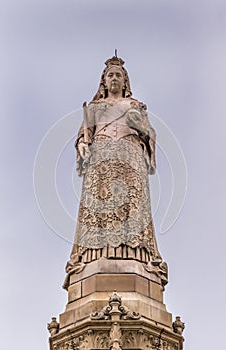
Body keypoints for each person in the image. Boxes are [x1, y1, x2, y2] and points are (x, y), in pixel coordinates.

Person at [64, 56, 167, 287]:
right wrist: (82, 147)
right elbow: (83, 137)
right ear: (103, 80)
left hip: (130, 155)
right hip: (101, 158)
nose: (114, 78)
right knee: (100, 205)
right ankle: (95, 257)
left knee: (131, 206)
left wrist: (142, 128)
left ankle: (133, 257)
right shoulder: (94, 108)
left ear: (125, 80)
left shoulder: (134, 106)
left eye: (118, 75)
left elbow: (149, 134)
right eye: (110, 75)